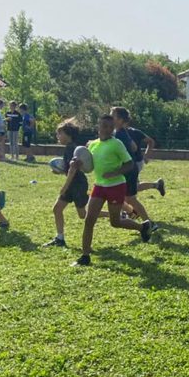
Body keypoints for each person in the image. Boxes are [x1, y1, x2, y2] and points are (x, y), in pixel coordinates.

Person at [72, 114, 153, 267]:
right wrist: (78, 164)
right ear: (98, 127)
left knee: (115, 222)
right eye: (104, 126)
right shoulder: (93, 145)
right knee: (89, 220)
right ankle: (85, 256)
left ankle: (143, 227)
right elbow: (89, 167)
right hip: (99, 186)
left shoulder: (117, 144)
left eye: (110, 127)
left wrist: (114, 173)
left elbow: (130, 164)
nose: (107, 129)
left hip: (116, 186)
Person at [44, 119, 88, 248]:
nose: (57, 136)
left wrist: (65, 186)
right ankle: (60, 238)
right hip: (73, 184)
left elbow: (74, 170)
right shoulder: (69, 148)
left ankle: (118, 215)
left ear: (68, 135)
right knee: (57, 209)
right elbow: (70, 168)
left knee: (83, 215)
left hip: (78, 185)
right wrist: (60, 171)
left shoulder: (71, 149)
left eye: (59, 134)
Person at [109, 106, 156, 224]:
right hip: (125, 168)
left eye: (112, 115)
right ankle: (132, 215)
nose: (110, 118)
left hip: (129, 169)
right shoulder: (118, 132)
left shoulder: (121, 134)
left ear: (120, 120)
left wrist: (128, 156)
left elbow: (134, 146)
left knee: (129, 198)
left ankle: (148, 222)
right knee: (122, 196)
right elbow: (133, 146)